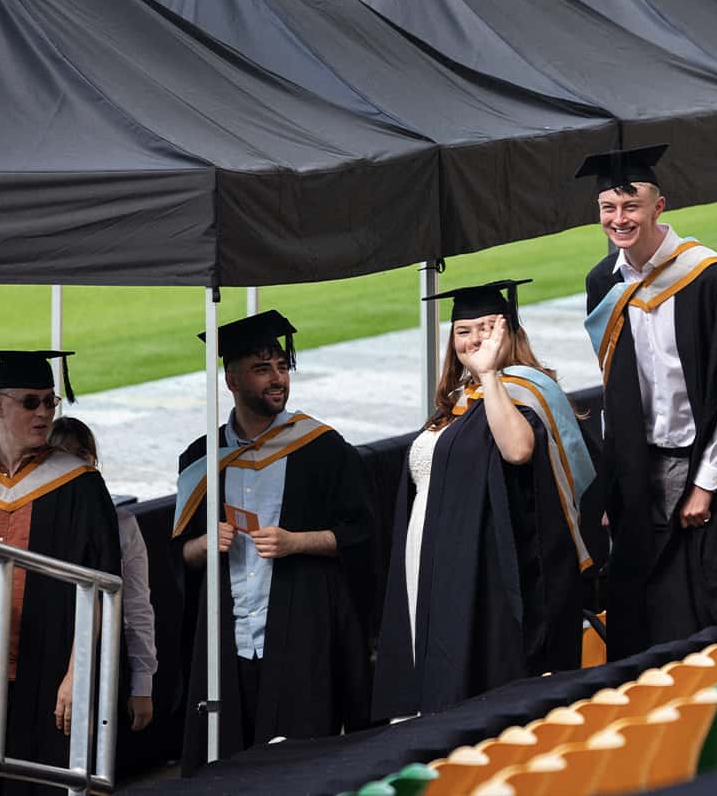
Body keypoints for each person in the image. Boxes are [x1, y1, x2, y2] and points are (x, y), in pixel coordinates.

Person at [579, 145, 717, 659]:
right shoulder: (603, 283)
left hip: (710, 468)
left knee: (707, 605)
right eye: (608, 208)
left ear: (659, 206)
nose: (619, 219)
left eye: (631, 206)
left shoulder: (711, 279)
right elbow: (614, 388)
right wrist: (616, 482)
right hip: (640, 469)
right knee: (644, 610)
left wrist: (705, 483)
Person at [373, 280, 595, 720]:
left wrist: (490, 374)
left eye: (487, 328)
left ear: (511, 333)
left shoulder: (523, 393)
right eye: (463, 331)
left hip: (482, 567)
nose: (474, 340)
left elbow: (518, 450)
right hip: (429, 557)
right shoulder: (455, 401)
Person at [172, 310, 373, 775]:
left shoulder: (323, 449)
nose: (277, 379)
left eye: (282, 367)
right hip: (225, 636)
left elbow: (362, 533)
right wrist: (204, 545)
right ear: (232, 381)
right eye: (262, 369)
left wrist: (295, 542)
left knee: (298, 762)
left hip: (299, 628)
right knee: (225, 762)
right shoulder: (201, 459)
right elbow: (178, 554)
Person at [0, 351, 122, 796]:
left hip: (47, 675)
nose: (44, 413)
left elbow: (104, 587)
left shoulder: (80, 485)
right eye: (31, 402)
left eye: (50, 402)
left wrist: (78, 673)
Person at [46, 418, 156, 737]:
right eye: (62, 455)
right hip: (46, 652)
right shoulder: (40, 521)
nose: (73, 464)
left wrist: (142, 683)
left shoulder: (122, 523)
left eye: (81, 454)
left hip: (105, 656)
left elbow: (137, 605)